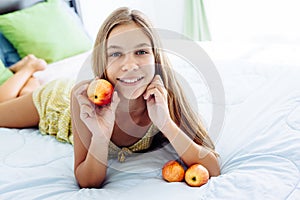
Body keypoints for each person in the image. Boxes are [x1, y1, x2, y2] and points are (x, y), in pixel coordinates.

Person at [71, 7, 220, 188]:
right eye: (116, 54)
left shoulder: (166, 96)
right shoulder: (85, 99)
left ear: (155, 57)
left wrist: (166, 124)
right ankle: (30, 68)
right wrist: (100, 137)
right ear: (103, 60)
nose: (130, 65)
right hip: (54, 105)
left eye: (141, 52)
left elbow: (212, 169)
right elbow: (87, 182)